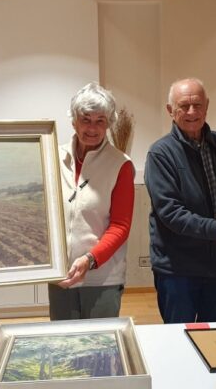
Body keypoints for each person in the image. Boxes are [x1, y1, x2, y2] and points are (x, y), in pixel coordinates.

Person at [144, 78, 216, 324]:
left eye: (197, 105)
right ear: (170, 110)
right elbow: (171, 213)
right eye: (183, 106)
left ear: (206, 106)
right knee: (179, 338)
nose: (191, 112)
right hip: (177, 270)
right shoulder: (160, 153)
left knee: (215, 338)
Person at [49, 82, 135, 320]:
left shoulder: (120, 165)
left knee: (99, 340)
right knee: (63, 339)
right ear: (74, 121)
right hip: (61, 275)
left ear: (109, 123)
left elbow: (120, 226)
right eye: (86, 119)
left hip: (102, 279)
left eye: (100, 120)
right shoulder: (53, 156)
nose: (92, 128)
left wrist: (90, 260)